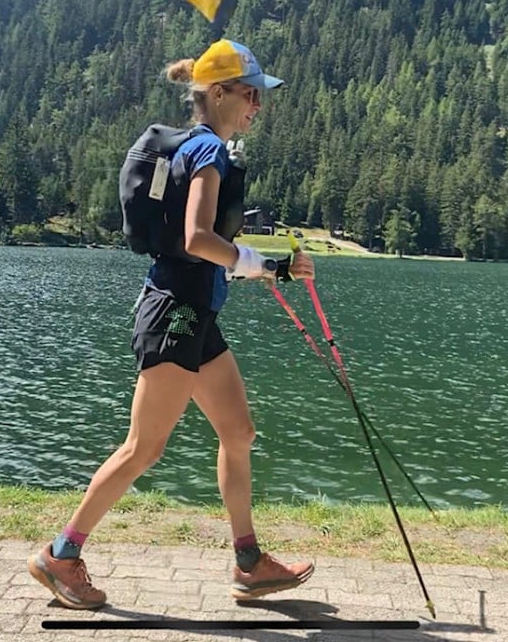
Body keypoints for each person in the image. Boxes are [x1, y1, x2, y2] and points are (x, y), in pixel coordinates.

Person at [28, 39, 316, 610]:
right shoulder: (207, 149)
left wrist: (272, 269)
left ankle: (249, 563)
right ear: (220, 93)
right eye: (251, 94)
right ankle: (61, 554)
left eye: (260, 96)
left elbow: (199, 254)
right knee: (143, 448)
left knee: (238, 433)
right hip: (175, 316)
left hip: (194, 315)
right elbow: (197, 239)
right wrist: (261, 265)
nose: (258, 106)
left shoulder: (202, 148)